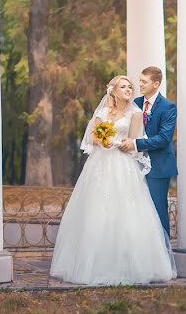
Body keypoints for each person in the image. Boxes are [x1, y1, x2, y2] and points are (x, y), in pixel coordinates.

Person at [49, 75, 176, 285]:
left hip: (122, 163)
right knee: (95, 210)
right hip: (100, 164)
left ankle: (129, 265)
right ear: (113, 91)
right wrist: (103, 141)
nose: (128, 89)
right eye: (123, 86)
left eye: (130, 87)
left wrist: (123, 144)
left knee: (126, 211)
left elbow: (134, 140)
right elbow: (93, 137)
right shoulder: (102, 112)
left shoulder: (135, 113)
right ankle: (93, 264)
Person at [116, 66, 177, 238]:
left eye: (144, 81)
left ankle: (164, 256)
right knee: (138, 212)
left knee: (157, 211)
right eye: (140, 80)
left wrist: (135, 144)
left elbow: (164, 139)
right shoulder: (135, 103)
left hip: (158, 167)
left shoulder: (168, 107)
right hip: (133, 166)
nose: (140, 84)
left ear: (156, 84)